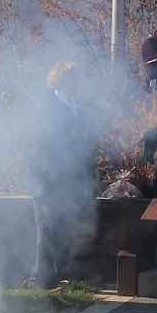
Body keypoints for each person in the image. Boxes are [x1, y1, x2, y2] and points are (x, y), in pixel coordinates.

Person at [28, 62, 96, 286]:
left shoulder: (73, 105)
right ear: (60, 79)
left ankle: (59, 277)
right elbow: (50, 140)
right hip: (50, 180)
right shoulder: (48, 103)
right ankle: (41, 281)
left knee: (65, 229)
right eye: (72, 78)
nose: (77, 83)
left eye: (78, 78)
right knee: (48, 232)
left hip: (68, 181)